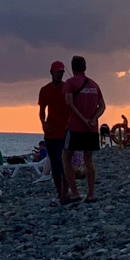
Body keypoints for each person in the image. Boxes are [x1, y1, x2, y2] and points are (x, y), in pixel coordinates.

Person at [62, 54, 106, 204]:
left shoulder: (70, 82)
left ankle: (74, 193)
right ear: (85, 67)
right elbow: (103, 106)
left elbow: (69, 103)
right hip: (91, 129)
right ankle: (91, 194)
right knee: (88, 159)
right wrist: (93, 119)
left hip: (75, 127)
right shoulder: (94, 85)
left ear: (73, 68)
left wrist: (83, 119)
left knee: (66, 157)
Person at [37, 60, 72, 204]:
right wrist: (43, 123)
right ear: (52, 72)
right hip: (51, 132)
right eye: (58, 72)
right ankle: (60, 194)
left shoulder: (67, 88)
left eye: (62, 73)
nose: (60, 75)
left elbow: (72, 107)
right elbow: (41, 111)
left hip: (65, 131)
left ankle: (66, 191)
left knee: (65, 162)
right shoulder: (45, 90)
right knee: (56, 164)